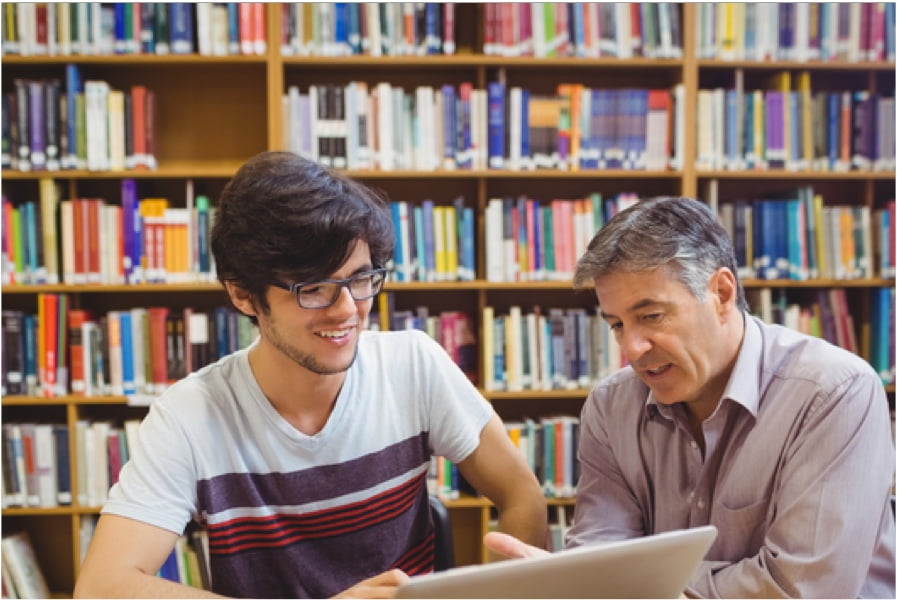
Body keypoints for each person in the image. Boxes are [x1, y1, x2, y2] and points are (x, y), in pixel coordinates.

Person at [74, 152, 547, 599]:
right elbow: (102, 586)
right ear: (243, 295)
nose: (347, 311)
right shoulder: (191, 415)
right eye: (314, 289)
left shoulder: (413, 365)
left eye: (360, 280)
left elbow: (521, 494)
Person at [485, 196, 896, 598]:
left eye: (650, 316)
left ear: (720, 293)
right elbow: (600, 562)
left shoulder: (833, 393)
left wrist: (640, 584)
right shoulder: (610, 407)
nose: (631, 349)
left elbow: (801, 590)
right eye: (616, 325)